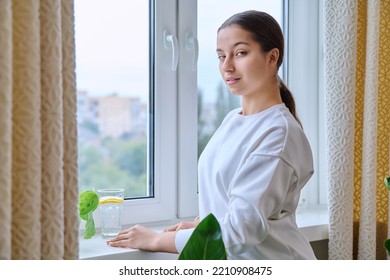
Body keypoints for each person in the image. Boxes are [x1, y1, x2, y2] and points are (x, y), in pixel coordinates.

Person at [107, 10, 316, 260]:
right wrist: (201, 225)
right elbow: (230, 201)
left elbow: (239, 232)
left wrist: (156, 239)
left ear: (272, 57)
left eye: (240, 53)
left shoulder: (278, 134)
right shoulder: (232, 120)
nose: (227, 66)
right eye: (220, 56)